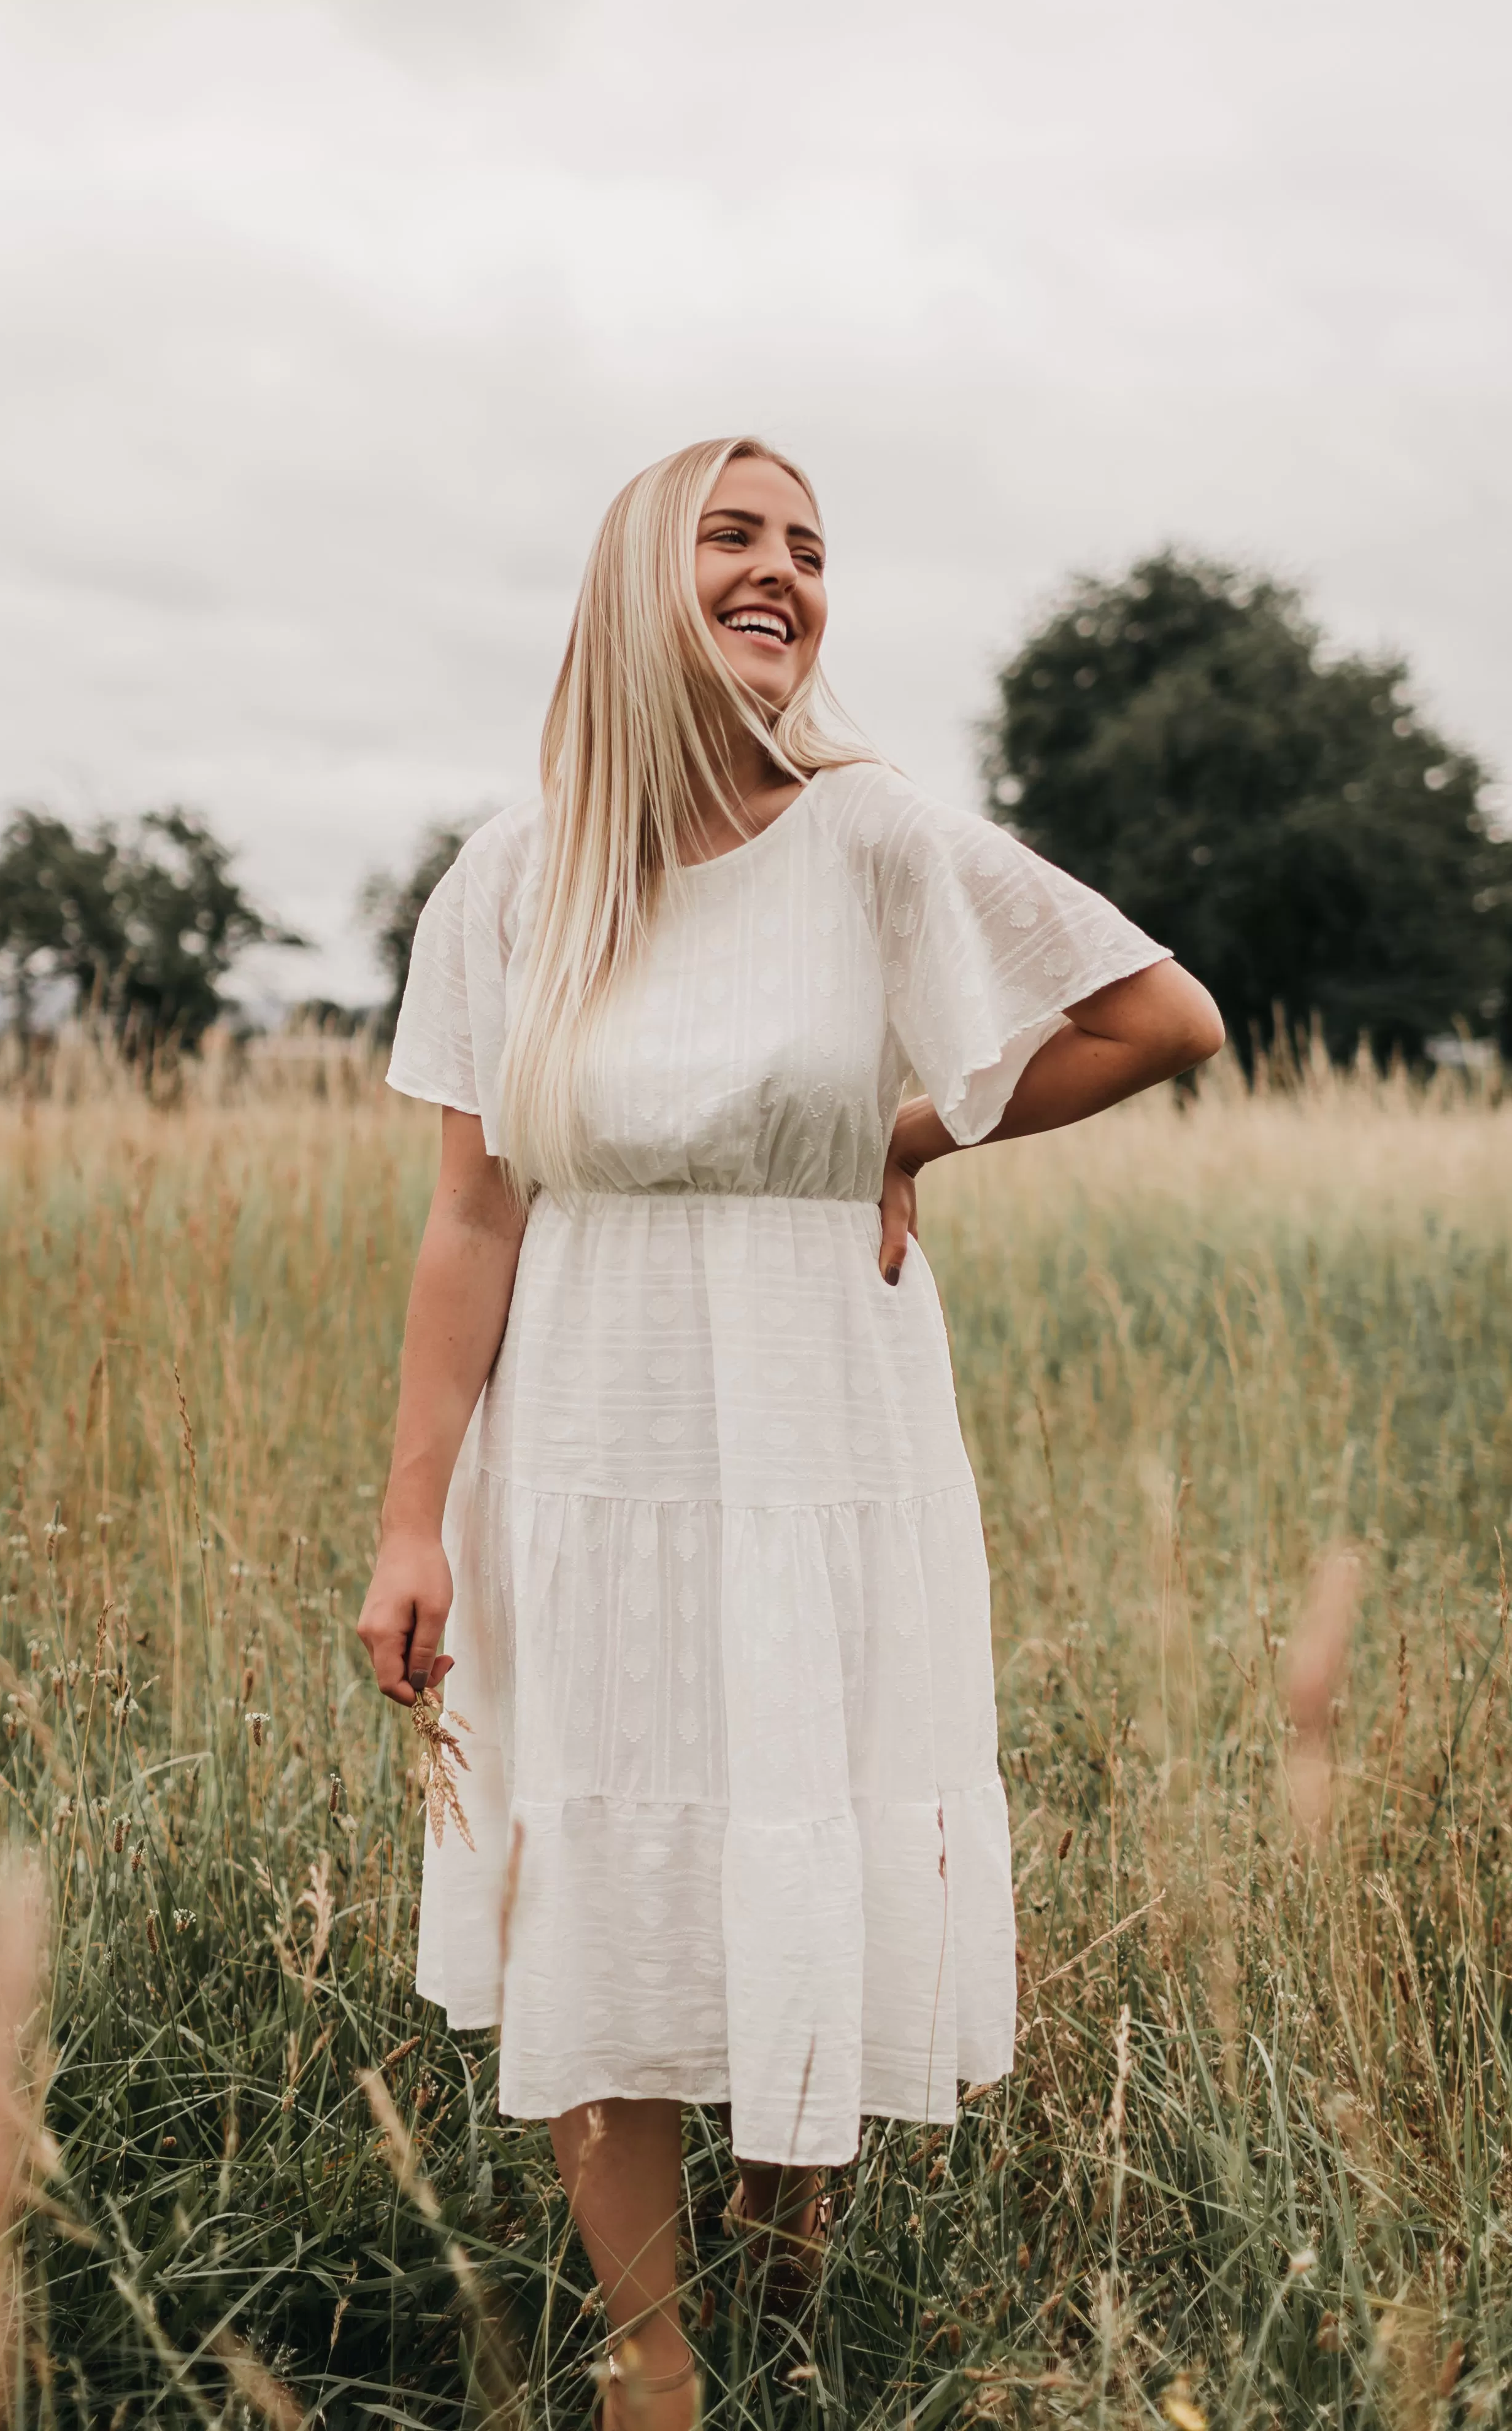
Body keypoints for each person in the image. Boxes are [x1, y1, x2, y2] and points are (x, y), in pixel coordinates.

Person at [357, 436, 1223, 2427]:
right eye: (732, 537)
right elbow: (470, 1213)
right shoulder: (514, 873)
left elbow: (1157, 1015)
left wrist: (902, 1130)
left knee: (806, 1816)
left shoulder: (873, 834)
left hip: (827, 1434)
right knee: (601, 1851)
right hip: (584, 1446)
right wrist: (413, 1522)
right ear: (632, 581)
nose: (781, 573)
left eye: (811, 550)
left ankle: (790, 2273)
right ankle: (649, 2356)